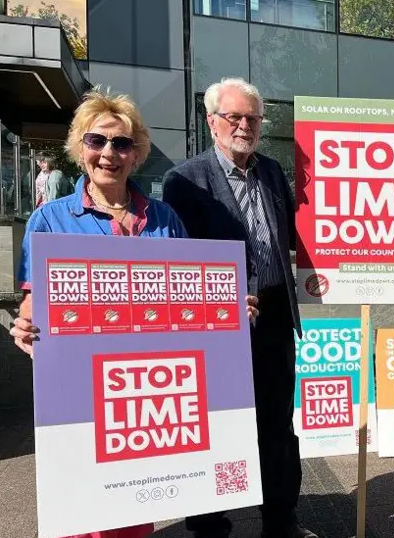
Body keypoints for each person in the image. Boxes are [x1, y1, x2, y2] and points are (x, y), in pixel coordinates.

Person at [8, 89, 248, 538]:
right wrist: (24, 325)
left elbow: (186, 296)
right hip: (79, 390)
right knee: (82, 513)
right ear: (80, 147)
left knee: (136, 508)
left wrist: (228, 310)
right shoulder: (50, 220)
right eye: (97, 140)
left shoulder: (164, 219)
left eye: (121, 144)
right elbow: (32, 302)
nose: (109, 153)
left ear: (136, 154)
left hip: (145, 393)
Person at [162, 78, 312, 538]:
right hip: (217, 326)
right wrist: (218, 301)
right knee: (214, 426)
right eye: (234, 117)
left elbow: (292, 231)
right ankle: (210, 527)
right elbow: (178, 263)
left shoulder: (271, 171)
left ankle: (280, 521)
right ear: (212, 122)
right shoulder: (184, 180)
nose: (244, 125)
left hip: (274, 315)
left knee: (276, 424)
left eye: (252, 118)